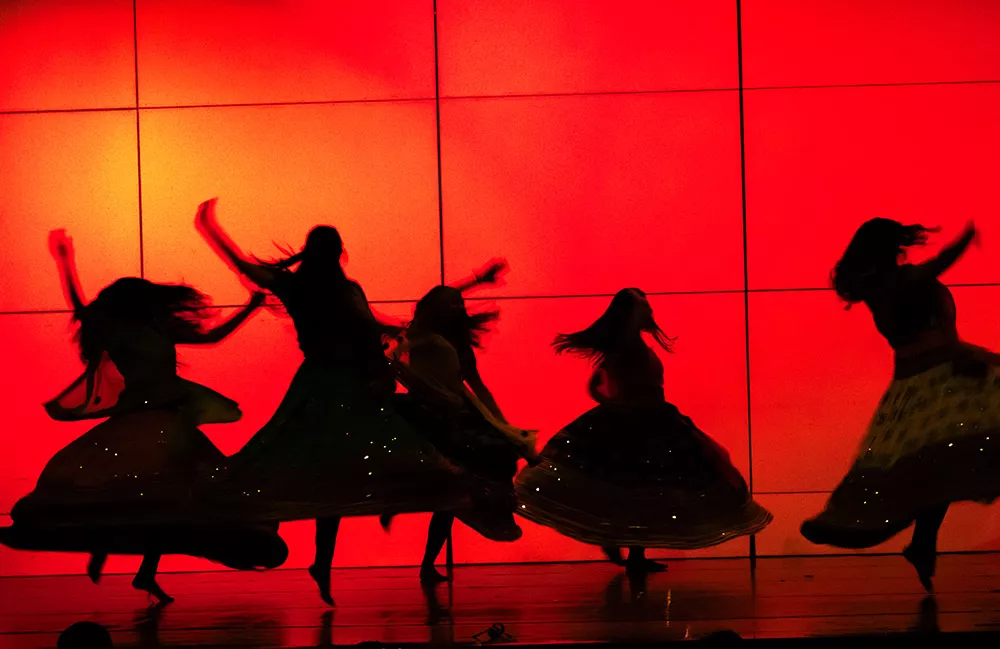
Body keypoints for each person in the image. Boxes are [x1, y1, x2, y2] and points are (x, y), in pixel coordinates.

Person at [194, 198, 470, 605]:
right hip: (346, 385)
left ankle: (315, 556)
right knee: (340, 472)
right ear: (339, 253)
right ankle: (324, 555)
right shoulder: (340, 289)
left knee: (315, 469)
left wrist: (212, 230)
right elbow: (367, 326)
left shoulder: (298, 287)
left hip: (323, 383)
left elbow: (243, 266)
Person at [0, 230, 286, 604]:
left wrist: (250, 307)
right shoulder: (119, 333)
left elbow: (212, 337)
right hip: (144, 422)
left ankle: (141, 570)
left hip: (169, 420)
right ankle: (110, 549)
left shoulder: (157, 328)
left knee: (169, 499)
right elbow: (82, 309)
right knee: (156, 496)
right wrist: (65, 263)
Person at [801, 220, 1000, 591]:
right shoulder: (897, 282)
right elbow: (937, 268)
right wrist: (965, 241)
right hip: (938, 377)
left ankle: (923, 542)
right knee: (940, 465)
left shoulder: (876, 288)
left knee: (937, 466)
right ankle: (921, 541)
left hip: (920, 378)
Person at [515, 289, 771, 573]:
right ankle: (623, 546)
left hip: (652, 418)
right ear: (630, 315)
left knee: (641, 489)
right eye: (643, 308)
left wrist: (618, 404)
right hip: (638, 422)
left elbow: (604, 385)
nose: (649, 313)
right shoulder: (624, 349)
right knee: (634, 487)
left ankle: (631, 550)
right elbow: (597, 385)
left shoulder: (631, 347)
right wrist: (618, 407)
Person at [389, 263, 538, 583]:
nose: (457, 307)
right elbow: (430, 305)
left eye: (459, 304)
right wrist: (475, 281)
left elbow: (478, 386)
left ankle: (428, 564)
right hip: (432, 415)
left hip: (459, 412)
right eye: (451, 303)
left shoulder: (456, 343)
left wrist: (502, 424)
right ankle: (427, 558)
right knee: (450, 488)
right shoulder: (421, 333)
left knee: (464, 485)